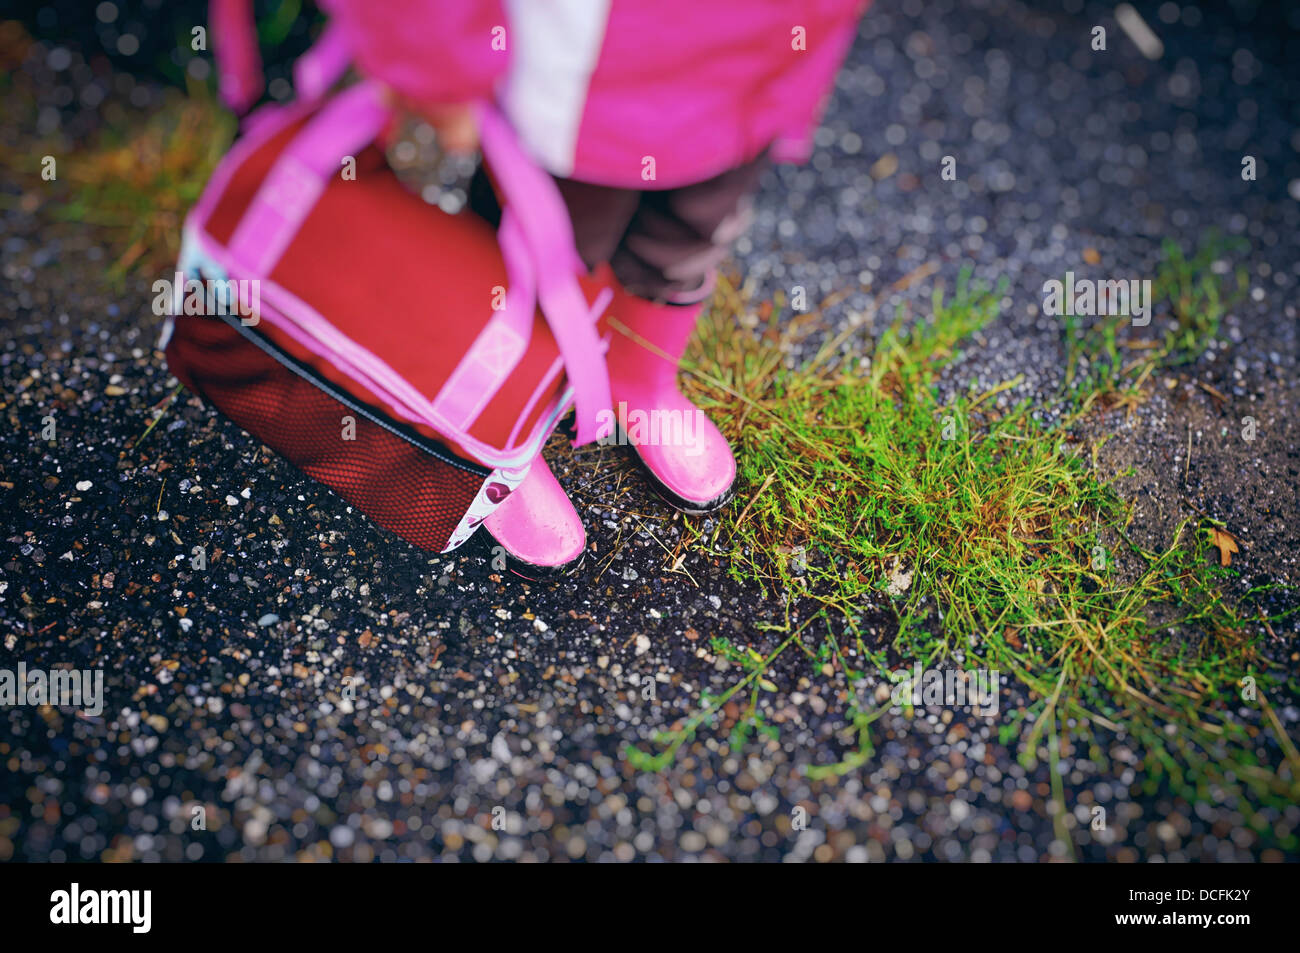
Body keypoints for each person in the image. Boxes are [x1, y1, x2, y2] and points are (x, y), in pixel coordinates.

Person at [325, 0, 869, 569]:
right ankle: (505, 430)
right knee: (536, 254)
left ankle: (639, 381)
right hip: (583, 83)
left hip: (755, 65)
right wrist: (432, 57)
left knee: (689, 233)